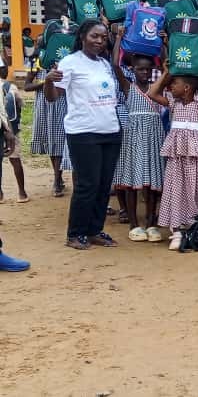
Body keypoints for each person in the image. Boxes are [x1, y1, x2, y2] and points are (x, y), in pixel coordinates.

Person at [44, 19, 123, 250]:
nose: (99, 41)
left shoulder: (104, 63)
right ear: (82, 37)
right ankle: (75, 233)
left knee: (103, 183)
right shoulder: (70, 63)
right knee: (87, 184)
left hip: (109, 130)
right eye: (94, 36)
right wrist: (48, 81)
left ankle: (95, 230)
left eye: (103, 37)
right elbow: (52, 97)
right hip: (83, 132)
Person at [148, 55, 198, 250]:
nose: (171, 86)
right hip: (178, 156)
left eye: (175, 83)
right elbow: (152, 93)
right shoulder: (173, 102)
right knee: (176, 189)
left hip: (197, 155)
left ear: (187, 88)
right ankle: (177, 230)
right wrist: (166, 72)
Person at [112, 54, 165, 243]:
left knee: (152, 183)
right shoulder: (128, 87)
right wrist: (119, 37)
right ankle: (134, 225)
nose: (144, 72)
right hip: (134, 137)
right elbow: (116, 66)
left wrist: (165, 46)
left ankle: (151, 223)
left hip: (154, 136)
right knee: (132, 182)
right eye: (140, 69)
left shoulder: (156, 88)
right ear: (132, 70)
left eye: (148, 69)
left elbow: (168, 69)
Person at [26, 64, 67, 198]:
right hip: (44, 105)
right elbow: (27, 86)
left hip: (61, 102)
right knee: (51, 140)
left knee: (60, 140)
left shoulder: (64, 63)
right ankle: (58, 177)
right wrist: (47, 81)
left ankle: (57, 179)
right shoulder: (35, 64)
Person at [0, 64, 28, 203]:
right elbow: (20, 104)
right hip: (11, 128)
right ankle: (22, 193)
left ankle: (0, 194)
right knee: (15, 159)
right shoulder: (11, 87)